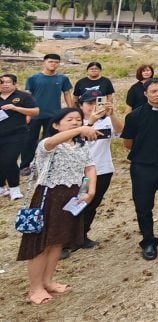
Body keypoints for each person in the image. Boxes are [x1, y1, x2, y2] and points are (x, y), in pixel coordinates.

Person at [18, 107, 97, 305]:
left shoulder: (81, 146)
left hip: (71, 197)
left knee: (57, 241)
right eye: (69, 119)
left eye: (78, 120)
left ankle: (48, 281)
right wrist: (82, 129)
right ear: (55, 124)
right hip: (48, 196)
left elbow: (88, 168)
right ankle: (34, 288)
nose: (75, 122)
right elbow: (52, 142)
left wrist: (89, 190)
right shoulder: (48, 144)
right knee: (41, 244)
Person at [122, 76, 158, 260]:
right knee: (144, 207)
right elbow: (127, 143)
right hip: (142, 168)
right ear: (145, 93)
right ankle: (148, 242)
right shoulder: (134, 116)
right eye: (154, 91)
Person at [76, 88, 122, 249]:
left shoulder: (107, 120)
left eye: (97, 102)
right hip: (81, 172)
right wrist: (91, 122)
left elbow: (121, 131)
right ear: (81, 105)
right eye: (89, 103)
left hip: (103, 169)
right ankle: (67, 239)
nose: (93, 106)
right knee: (77, 203)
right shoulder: (74, 121)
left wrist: (112, 114)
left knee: (93, 204)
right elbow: (77, 143)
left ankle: (82, 235)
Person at [21, 54, 73, 171]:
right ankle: (25, 166)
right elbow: (28, 97)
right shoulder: (33, 78)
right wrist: (27, 113)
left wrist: (71, 110)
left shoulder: (62, 79)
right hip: (35, 115)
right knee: (29, 140)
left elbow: (67, 94)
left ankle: (44, 165)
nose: (53, 64)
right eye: (50, 62)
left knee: (49, 141)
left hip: (53, 115)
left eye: (56, 62)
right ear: (44, 62)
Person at [1, 73, 38, 199]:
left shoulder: (23, 96)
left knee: (9, 160)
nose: (4, 84)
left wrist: (16, 108)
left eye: (7, 82)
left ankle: (14, 188)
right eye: (2, 82)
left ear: (14, 84)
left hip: (16, 134)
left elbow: (35, 111)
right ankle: (1, 187)